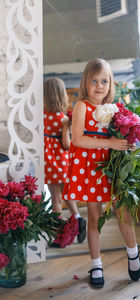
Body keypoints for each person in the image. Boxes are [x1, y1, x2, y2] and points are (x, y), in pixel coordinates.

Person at [62, 58, 140, 288]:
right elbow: (78, 139)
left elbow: (121, 138)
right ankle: (96, 264)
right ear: (86, 82)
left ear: (110, 84)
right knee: (94, 217)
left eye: (104, 81)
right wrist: (110, 142)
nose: (99, 86)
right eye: (94, 80)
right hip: (91, 170)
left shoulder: (115, 109)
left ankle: (133, 253)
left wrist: (127, 143)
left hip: (112, 168)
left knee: (122, 211)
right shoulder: (81, 107)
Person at [43, 77, 86, 244]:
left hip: (49, 161)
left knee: (56, 199)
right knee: (66, 193)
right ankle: (78, 218)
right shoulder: (63, 119)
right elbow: (66, 145)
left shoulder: (43, 116)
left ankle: (60, 237)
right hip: (62, 160)